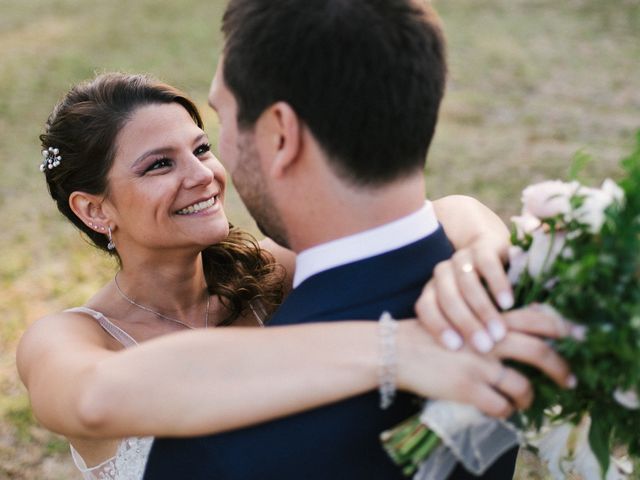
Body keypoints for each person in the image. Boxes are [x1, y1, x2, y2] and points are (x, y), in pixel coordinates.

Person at [16, 73, 571, 480]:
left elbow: (442, 213)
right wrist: (393, 350)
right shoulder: (69, 339)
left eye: (202, 148)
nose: (204, 176)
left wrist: (477, 253)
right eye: (160, 164)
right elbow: (92, 398)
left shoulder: (267, 271)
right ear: (94, 210)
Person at [142, 1, 575, 479]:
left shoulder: (213, 432)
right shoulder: (518, 302)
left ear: (280, 135)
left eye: (223, 118)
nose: (216, 158)